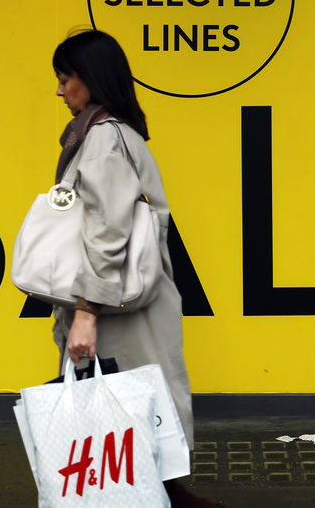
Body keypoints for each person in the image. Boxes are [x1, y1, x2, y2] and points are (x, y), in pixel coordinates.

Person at [49, 30, 222, 508]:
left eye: (67, 78)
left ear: (93, 79)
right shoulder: (118, 133)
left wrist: (85, 312)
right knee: (132, 421)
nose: (60, 90)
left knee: (120, 421)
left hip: (114, 308)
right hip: (129, 301)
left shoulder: (102, 139)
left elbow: (107, 230)